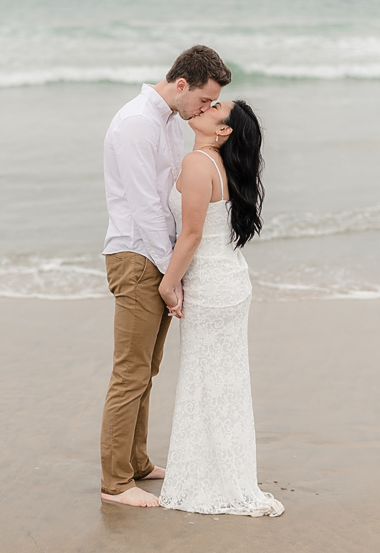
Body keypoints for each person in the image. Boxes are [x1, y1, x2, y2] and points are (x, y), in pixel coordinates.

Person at [100, 45, 232, 508]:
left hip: (155, 259)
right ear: (182, 85)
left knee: (146, 370)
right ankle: (115, 483)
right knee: (130, 373)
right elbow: (145, 209)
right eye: (203, 100)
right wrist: (168, 277)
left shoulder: (164, 123)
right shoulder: (137, 123)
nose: (205, 109)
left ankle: (136, 462)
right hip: (138, 258)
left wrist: (174, 270)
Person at [157, 99, 283, 517]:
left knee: (205, 381)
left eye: (215, 107)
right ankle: (225, 471)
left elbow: (191, 236)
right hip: (230, 282)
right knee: (223, 384)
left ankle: (210, 479)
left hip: (211, 288)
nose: (205, 106)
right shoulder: (223, 166)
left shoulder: (197, 163)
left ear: (223, 130)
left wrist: (168, 284)